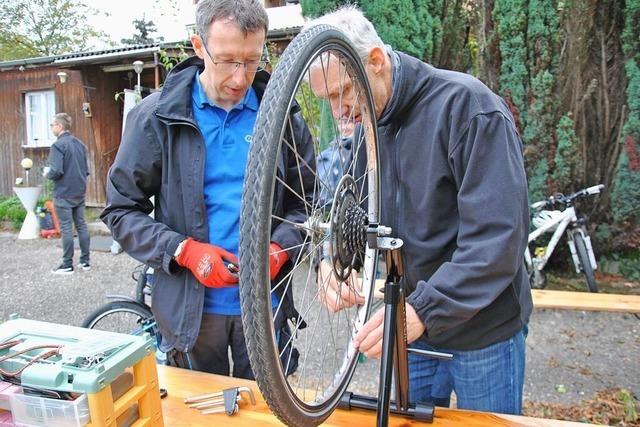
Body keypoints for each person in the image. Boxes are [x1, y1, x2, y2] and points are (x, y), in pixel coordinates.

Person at [305, 7, 532, 415]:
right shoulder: (366, 128)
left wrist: (424, 310)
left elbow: (499, 238)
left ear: (375, 61)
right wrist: (330, 259)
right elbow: (352, 213)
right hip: (413, 323)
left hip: (484, 330)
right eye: (327, 100)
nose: (339, 111)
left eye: (343, 92)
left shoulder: (468, 108)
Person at [101, 0, 313, 379]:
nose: (240, 77)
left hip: (266, 308)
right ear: (199, 47)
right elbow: (120, 210)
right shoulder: (156, 118)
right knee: (200, 410)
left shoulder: (282, 116)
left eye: (251, 60)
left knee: (266, 417)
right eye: (228, 60)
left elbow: (306, 205)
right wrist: (183, 251)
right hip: (191, 314)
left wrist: (280, 250)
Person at [46, 113, 91, 275]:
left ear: (59, 126)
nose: (51, 128)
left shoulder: (57, 145)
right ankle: (85, 262)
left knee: (66, 229)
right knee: (81, 226)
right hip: (79, 192)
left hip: (64, 193)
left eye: (52, 125)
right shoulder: (80, 144)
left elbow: (56, 171)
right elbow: (86, 171)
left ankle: (67, 265)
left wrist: (47, 174)